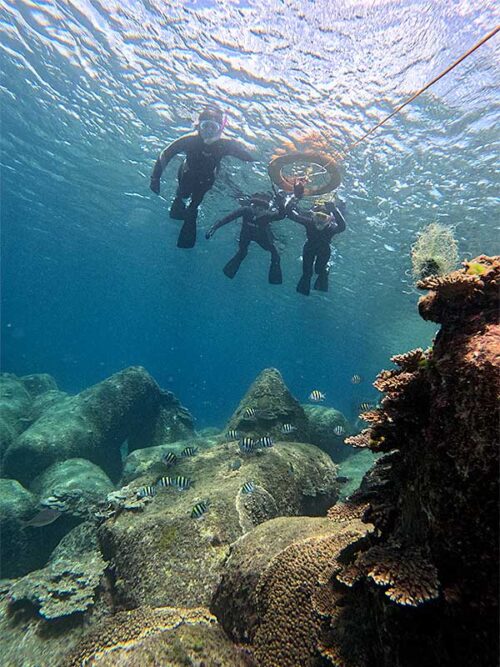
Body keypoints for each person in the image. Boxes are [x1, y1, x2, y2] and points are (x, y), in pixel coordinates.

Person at [150, 106, 255, 249]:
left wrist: (241, 148)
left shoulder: (224, 144)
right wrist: (155, 178)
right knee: (182, 194)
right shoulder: (190, 140)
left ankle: (190, 213)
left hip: (207, 180)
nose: (209, 131)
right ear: (198, 125)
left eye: (214, 127)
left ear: (219, 129)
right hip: (187, 174)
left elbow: (248, 158)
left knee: (195, 203)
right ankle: (180, 205)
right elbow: (166, 154)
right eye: (205, 126)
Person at [205, 183, 305, 284]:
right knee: (242, 252)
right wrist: (214, 228)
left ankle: (274, 273)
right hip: (246, 235)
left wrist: (280, 203)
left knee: (274, 253)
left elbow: (281, 215)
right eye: (255, 207)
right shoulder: (246, 211)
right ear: (252, 205)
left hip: (261, 237)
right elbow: (228, 218)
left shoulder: (267, 216)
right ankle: (231, 269)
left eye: (261, 209)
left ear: (266, 209)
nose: (257, 211)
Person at [289, 201, 346, 295]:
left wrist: (334, 210)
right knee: (307, 272)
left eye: (323, 217)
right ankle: (305, 288)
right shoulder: (309, 223)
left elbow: (342, 227)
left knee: (319, 270)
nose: (320, 220)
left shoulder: (330, 228)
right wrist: (295, 198)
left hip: (323, 250)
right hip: (309, 248)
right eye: (318, 216)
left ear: (330, 219)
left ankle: (326, 270)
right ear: (313, 216)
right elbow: (292, 215)